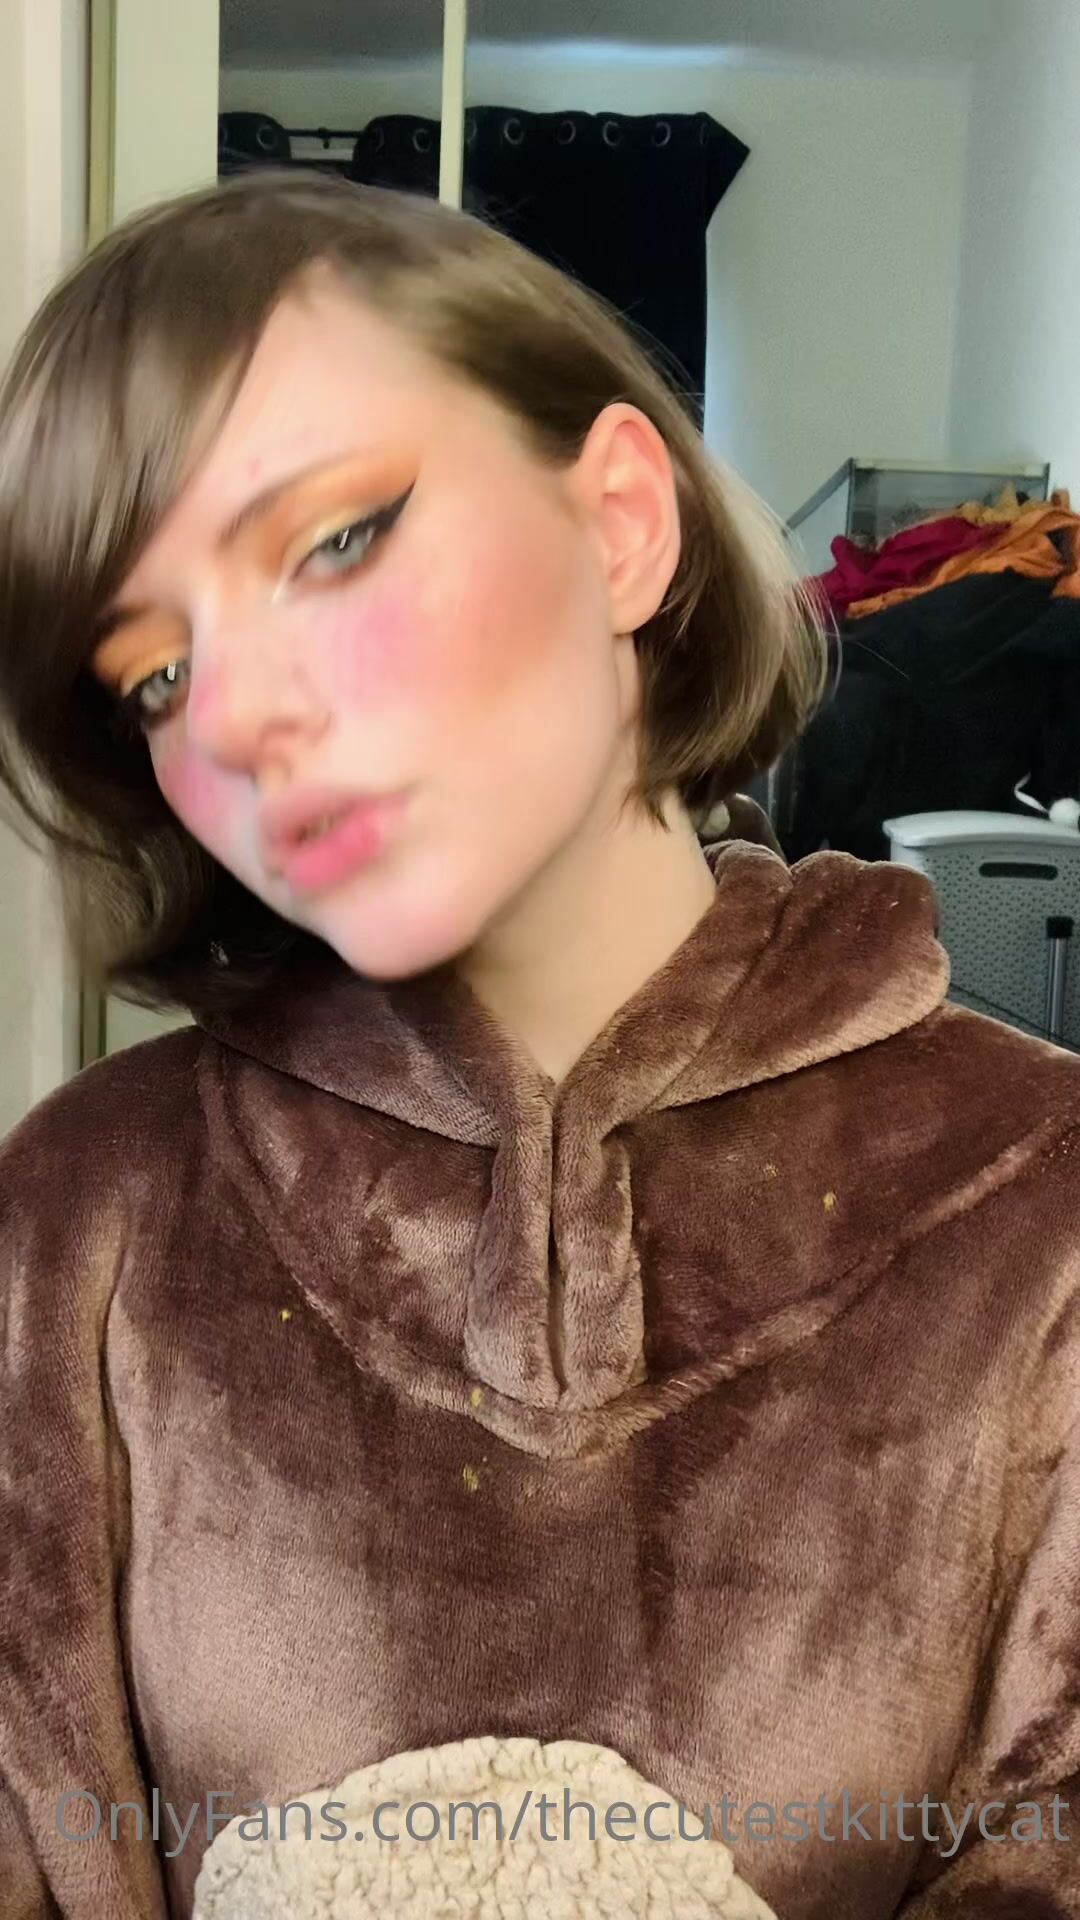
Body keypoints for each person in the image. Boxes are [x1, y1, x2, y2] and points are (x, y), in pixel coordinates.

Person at [0, 171, 1077, 1920]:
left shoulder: (1037, 1198)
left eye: (333, 541)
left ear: (622, 525)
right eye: (156, 678)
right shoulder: (82, 1216)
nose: (244, 715)